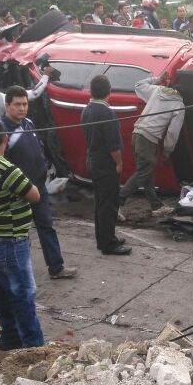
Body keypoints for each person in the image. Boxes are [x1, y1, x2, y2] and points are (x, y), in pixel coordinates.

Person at [0, 121, 47, 349]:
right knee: (22, 293)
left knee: (4, 290)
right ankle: (33, 346)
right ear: (5, 139)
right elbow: (34, 195)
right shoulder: (5, 168)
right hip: (10, 237)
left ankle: (10, 338)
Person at [1, 86, 77, 279]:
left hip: (39, 187)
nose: (21, 108)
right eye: (17, 104)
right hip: (19, 192)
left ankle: (56, 267)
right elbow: (2, 165)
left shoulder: (28, 123)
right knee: (20, 235)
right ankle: (20, 272)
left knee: (47, 227)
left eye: (24, 104)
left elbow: (39, 149)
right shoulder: (2, 132)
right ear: (7, 105)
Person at [119, 73, 185, 217]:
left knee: (146, 173)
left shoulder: (158, 90)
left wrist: (158, 80)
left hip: (136, 135)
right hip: (148, 139)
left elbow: (139, 85)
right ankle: (118, 201)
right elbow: (173, 133)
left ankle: (156, 206)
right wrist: (167, 152)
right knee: (143, 173)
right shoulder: (179, 105)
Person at [81, 75, 130, 255]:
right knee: (109, 204)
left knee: (100, 203)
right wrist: (119, 162)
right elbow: (113, 145)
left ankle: (104, 238)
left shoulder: (87, 110)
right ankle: (109, 243)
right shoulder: (106, 113)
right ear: (109, 91)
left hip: (93, 160)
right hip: (105, 163)